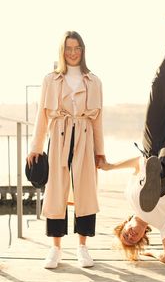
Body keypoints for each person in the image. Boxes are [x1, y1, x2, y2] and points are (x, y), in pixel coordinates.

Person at [101, 13, 165, 264]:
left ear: (125, 224)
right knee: (163, 172)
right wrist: (157, 254)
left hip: (153, 145)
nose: (131, 235)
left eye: (126, 235)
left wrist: (109, 167)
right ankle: (160, 179)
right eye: (134, 239)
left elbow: (135, 164)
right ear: (143, 235)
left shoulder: (130, 197)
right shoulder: (162, 223)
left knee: (157, 86)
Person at [27, 31, 106, 269]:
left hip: (84, 136)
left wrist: (100, 151)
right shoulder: (50, 79)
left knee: (85, 191)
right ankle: (55, 248)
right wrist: (36, 147)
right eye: (68, 48)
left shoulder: (94, 81)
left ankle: (82, 248)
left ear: (83, 51)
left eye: (77, 48)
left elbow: (98, 119)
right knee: (55, 191)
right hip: (58, 136)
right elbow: (42, 115)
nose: (72, 53)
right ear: (62, 51)